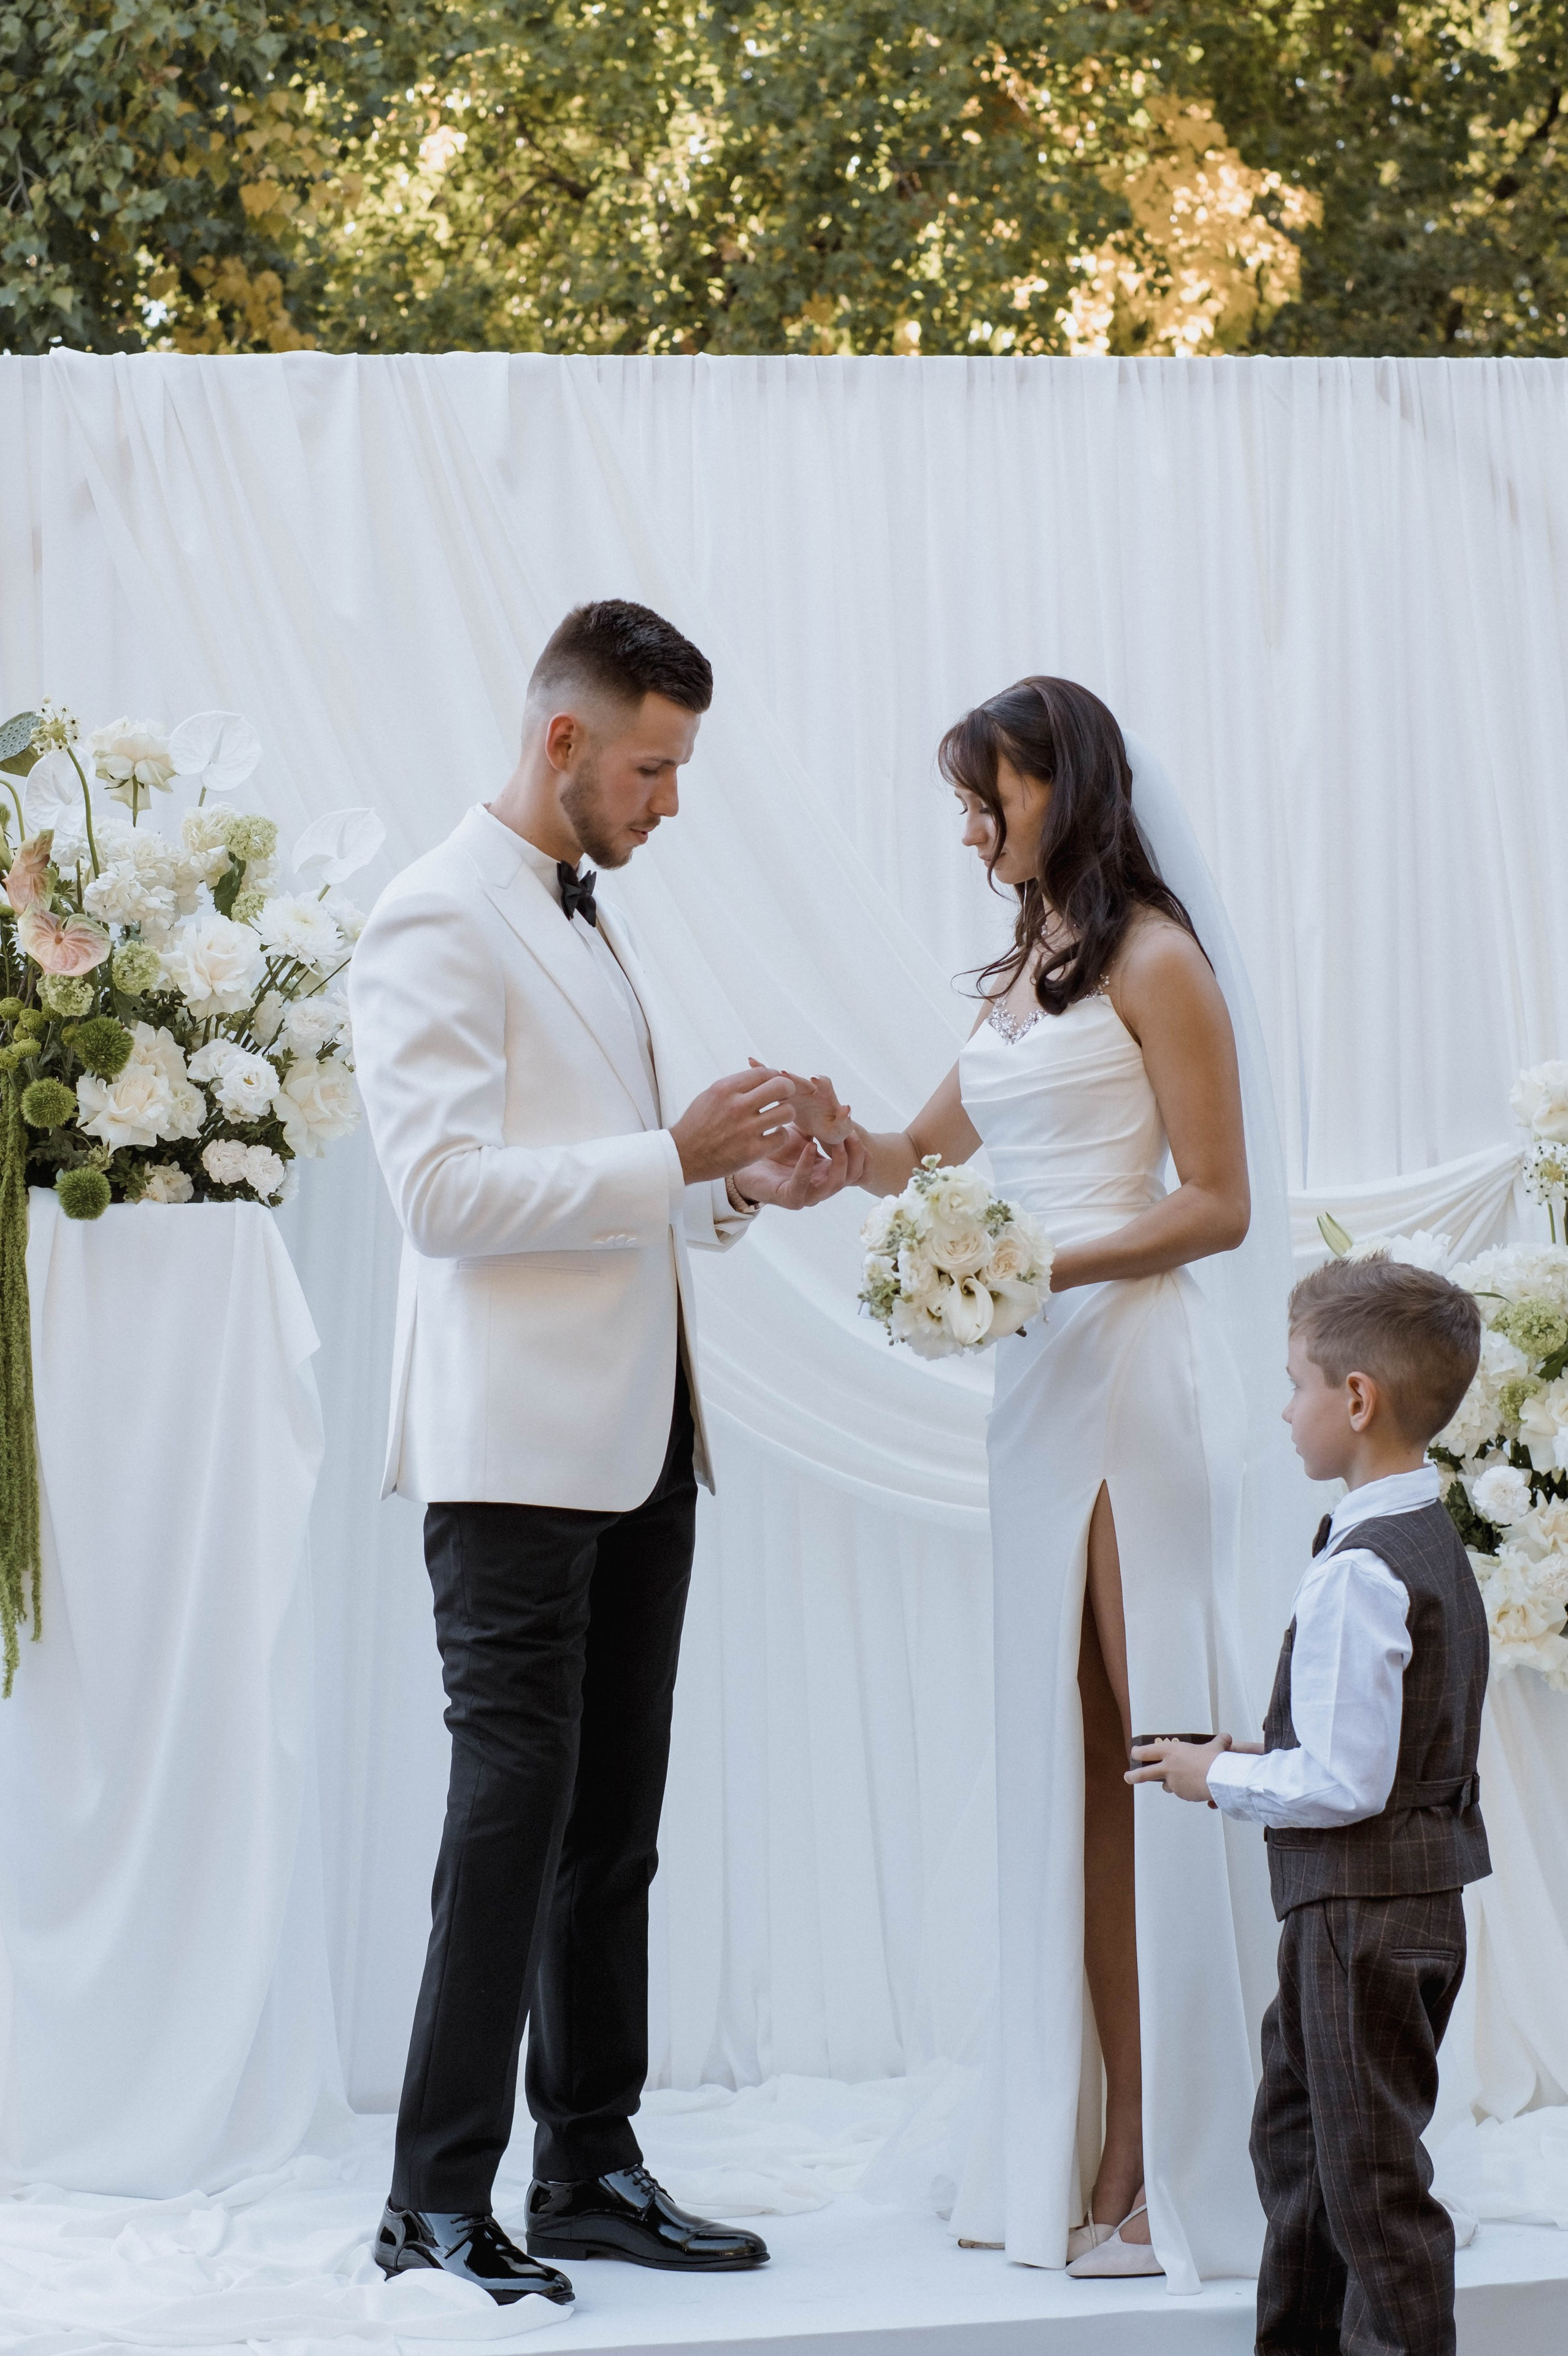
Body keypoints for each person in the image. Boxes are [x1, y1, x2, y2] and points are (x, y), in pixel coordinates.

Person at [349, 599, 860, 2309]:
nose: (668, 802)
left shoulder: (577, 912)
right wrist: (667, 1153)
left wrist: (733, 1188)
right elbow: (439, 1200)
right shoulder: (434, 915)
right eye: (653, 767)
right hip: (510, 1459)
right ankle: (431, 2202)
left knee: (611, 1828)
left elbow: (604, 1183)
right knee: (509, 1820)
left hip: (645, 1443)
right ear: (564, 741)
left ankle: (589, 2166)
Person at [788, 677, 1277, 2289]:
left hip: (1133, 1369)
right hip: (1035, 1380)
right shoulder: (1022, 971)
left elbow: (1217, 1205)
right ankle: (1085, 2132)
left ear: (1062, 789)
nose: (969, 825)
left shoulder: (1158, 958)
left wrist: (1035, 1259)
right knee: (1071, 1753)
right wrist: (818, 1142)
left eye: (987, 796)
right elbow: (913, 1155)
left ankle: (1179, 2146)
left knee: (1154, 1743)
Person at [1132, 1256, 1489, 2356]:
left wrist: (1215, 1777)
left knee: (1372, 2190)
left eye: (1295, 1384)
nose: (1284, 1410)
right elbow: (1378, 1742)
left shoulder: (1362, 1569)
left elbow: (1344, 1785)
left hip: (1357, 1924)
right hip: (1393, 1911)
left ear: (1357, 1399)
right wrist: (1257, 1748)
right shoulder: (1426, 1537)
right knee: (1301, 2151)